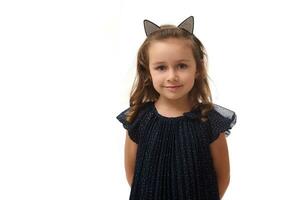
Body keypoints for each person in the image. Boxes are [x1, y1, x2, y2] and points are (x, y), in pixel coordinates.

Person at [116, 16, 237, 200]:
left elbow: (222, 177)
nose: (172, 76)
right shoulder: (138, 119)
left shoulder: (209, 120)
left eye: (181, 66)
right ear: (148, 71)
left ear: (198, 68)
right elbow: (133, 176)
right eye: (161, 67)